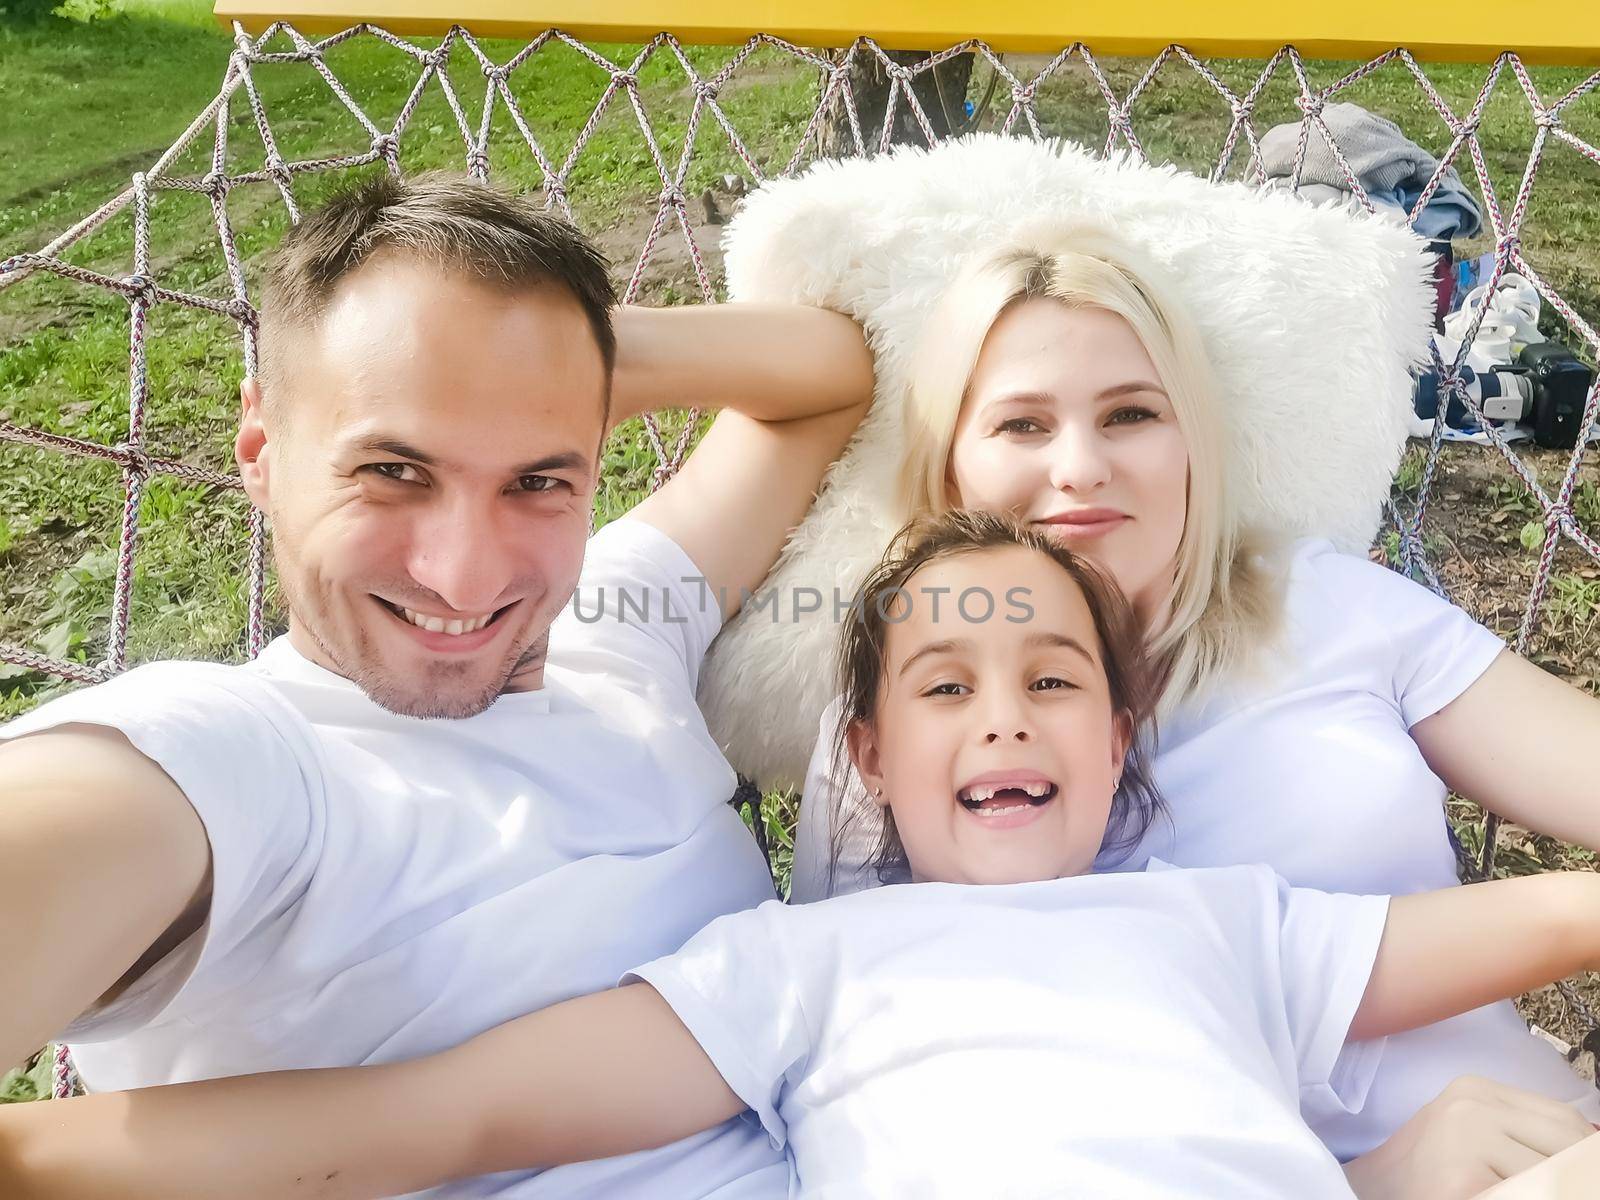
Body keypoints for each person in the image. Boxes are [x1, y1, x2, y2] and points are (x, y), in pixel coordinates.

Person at [5, 509, 1600, 1200]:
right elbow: (442, 1113)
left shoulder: (1233, 924)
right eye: (945, 688)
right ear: (868, 760)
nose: (1005, 723)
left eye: (1054, 682)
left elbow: (1551, 915)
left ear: (1120, 745)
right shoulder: (799, 965)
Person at [0, 172, 873, 1197]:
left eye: (539, 480)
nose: (465, 575)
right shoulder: (233, 762)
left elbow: (833, 376)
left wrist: (567, 355)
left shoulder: (613, 632)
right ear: (261, 451)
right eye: (392, 471)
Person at [787, 235, 1600, 1193]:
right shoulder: (901, 736)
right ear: (951, 465)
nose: (1081, 466)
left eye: (1130, 413)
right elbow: (874, 1085)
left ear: (1191, 443)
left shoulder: (1332, 615)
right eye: (1022, 425)